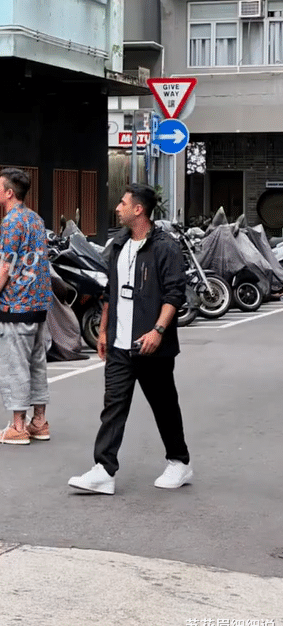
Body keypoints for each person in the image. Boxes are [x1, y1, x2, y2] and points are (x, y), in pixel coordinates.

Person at [68, 183, 191, 493]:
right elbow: (111, 291)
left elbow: (174, 295)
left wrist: (158, 331)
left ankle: (179, 462)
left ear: (139, 210)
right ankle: (104, 470)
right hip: (120, 345)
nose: (118, 208)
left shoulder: (165, 247)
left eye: (123, 203)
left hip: (151, 346)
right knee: (113, 405)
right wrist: (104, 331)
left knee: (164, 405)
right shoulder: (119, 243)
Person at [0, 168, 53, 445]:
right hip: (39, 304)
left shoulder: (11, 223)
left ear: (10, 193)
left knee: (14, 366)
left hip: (16, 305)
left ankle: (17, 426)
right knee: (37, 364)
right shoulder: (35, 219)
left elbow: (5, 265)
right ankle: (39, 422)